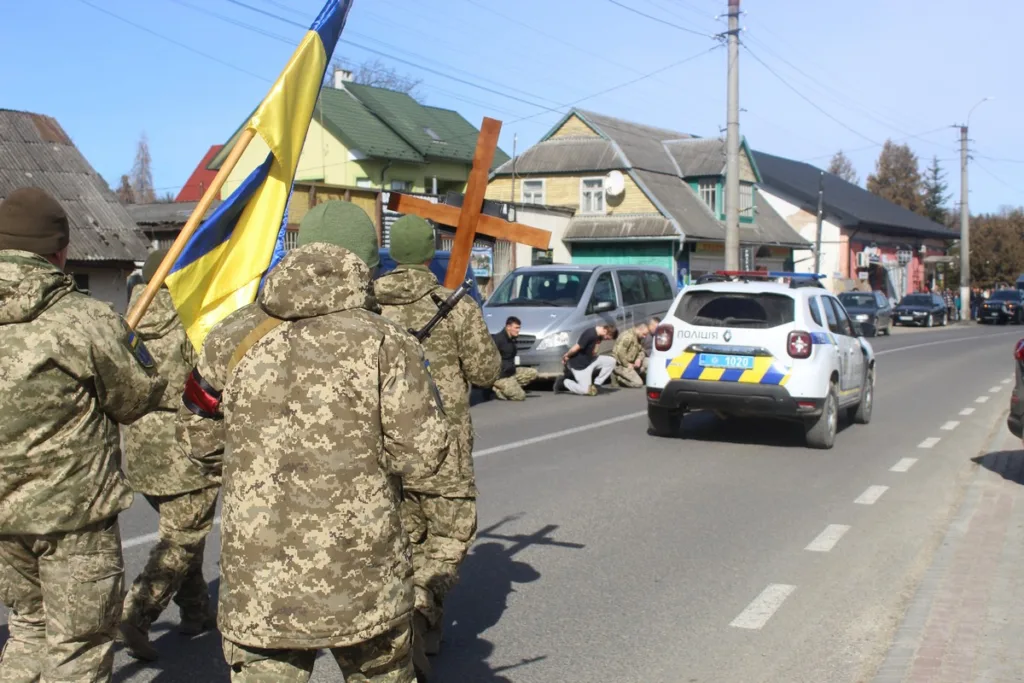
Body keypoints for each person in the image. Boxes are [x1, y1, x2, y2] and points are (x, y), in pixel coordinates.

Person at [176, 200, 449, 683]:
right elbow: (424, 455)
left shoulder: (229, 337)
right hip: (364, 582)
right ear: (367, 263)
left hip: (260, 585)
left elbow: (196, 439)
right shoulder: (387, 341)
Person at [0, 187, 166, 681]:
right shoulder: (85, 319)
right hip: (74, 521)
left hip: (5, 520)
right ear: (60, 252)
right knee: (78, 647)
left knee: (28, 630)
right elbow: (137, 398)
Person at [374, 216, 500, 670]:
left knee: (407, 538)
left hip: (388, 445)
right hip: (444, 446)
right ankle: (421, 602)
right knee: (451, 535)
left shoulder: (369, 306)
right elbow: (486, 371)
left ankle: (424, 636)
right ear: (430, 253)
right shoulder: (454, 306)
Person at [118, 249, 221, 661]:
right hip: (186, 448)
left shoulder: (129, 316)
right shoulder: (193, 318)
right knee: (182, 537)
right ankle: (136, 613)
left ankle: (196, 611)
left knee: (182, 530)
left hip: (141, 447)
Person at [557, 324, 618, 396]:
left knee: (611, 361)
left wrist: (596, 346)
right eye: (608, 337)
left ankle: (597, 384)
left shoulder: (599, 335)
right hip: (579, 366)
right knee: (586, 391)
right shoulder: (589, 334)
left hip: (590, 361)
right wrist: (567, 356)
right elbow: (576, 348)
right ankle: (564, 382)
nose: (607, 339)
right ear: (605, 330)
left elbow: (595, 351)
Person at [492, 316, 538, 401]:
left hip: (511, 372)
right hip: (501, 376)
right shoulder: (498, 340)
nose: (518, 330)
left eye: (519, 328)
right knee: (520, 396)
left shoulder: (512, 339)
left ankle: (511, 386)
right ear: (508, 327)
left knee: (533, 373)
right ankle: (496, 390)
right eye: (516, 328)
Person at [612, 323, 650, 388]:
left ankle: (639, 375)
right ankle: (619, 378)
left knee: (649, 362)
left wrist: (639, 359)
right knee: (638, 383)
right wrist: (627, 364)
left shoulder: (638, 337)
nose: (644, 336)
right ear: (639, 330)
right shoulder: (627, 337)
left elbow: (642, 350)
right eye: (644, 334)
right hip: (621, 365)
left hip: (633, 362)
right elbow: (620, 353)